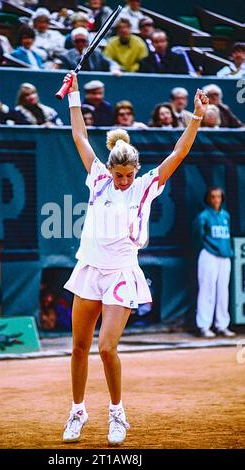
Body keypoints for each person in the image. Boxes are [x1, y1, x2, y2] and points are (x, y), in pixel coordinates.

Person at [61, 70, 209, 445]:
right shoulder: (97, 178)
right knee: (78, 347)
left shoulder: (145, 188)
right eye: (119, 174)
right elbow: (79, 134)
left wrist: (195, 116)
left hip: (122, 273)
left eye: (129, 175)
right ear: (109, 169)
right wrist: (74, 95)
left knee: (106, 347)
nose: (124, 180)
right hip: (90, 270)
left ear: (136, 171)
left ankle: (117, 414)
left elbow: (179, 152)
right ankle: (77, 411)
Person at [193, 187, 236, 338]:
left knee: (223, 291)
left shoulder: (226, 216)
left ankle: (222, 325)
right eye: (213, 197)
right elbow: (197, 236)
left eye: (218, 197)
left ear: (222, 198)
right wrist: (207, 247)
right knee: (207, 290)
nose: (216, 200)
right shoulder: (203, 216)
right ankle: (204, 326)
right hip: (209, 255)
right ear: (208, 199)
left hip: (224, 257)